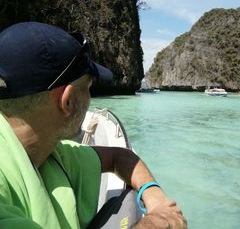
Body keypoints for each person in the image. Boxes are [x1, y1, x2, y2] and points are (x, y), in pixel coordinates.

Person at [0, 22, 187, 229]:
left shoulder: (49, 152)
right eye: (88, 89)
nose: (90, 99)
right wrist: (153, 224)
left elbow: (119, 157)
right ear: (67, 101)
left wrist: (154, 196)